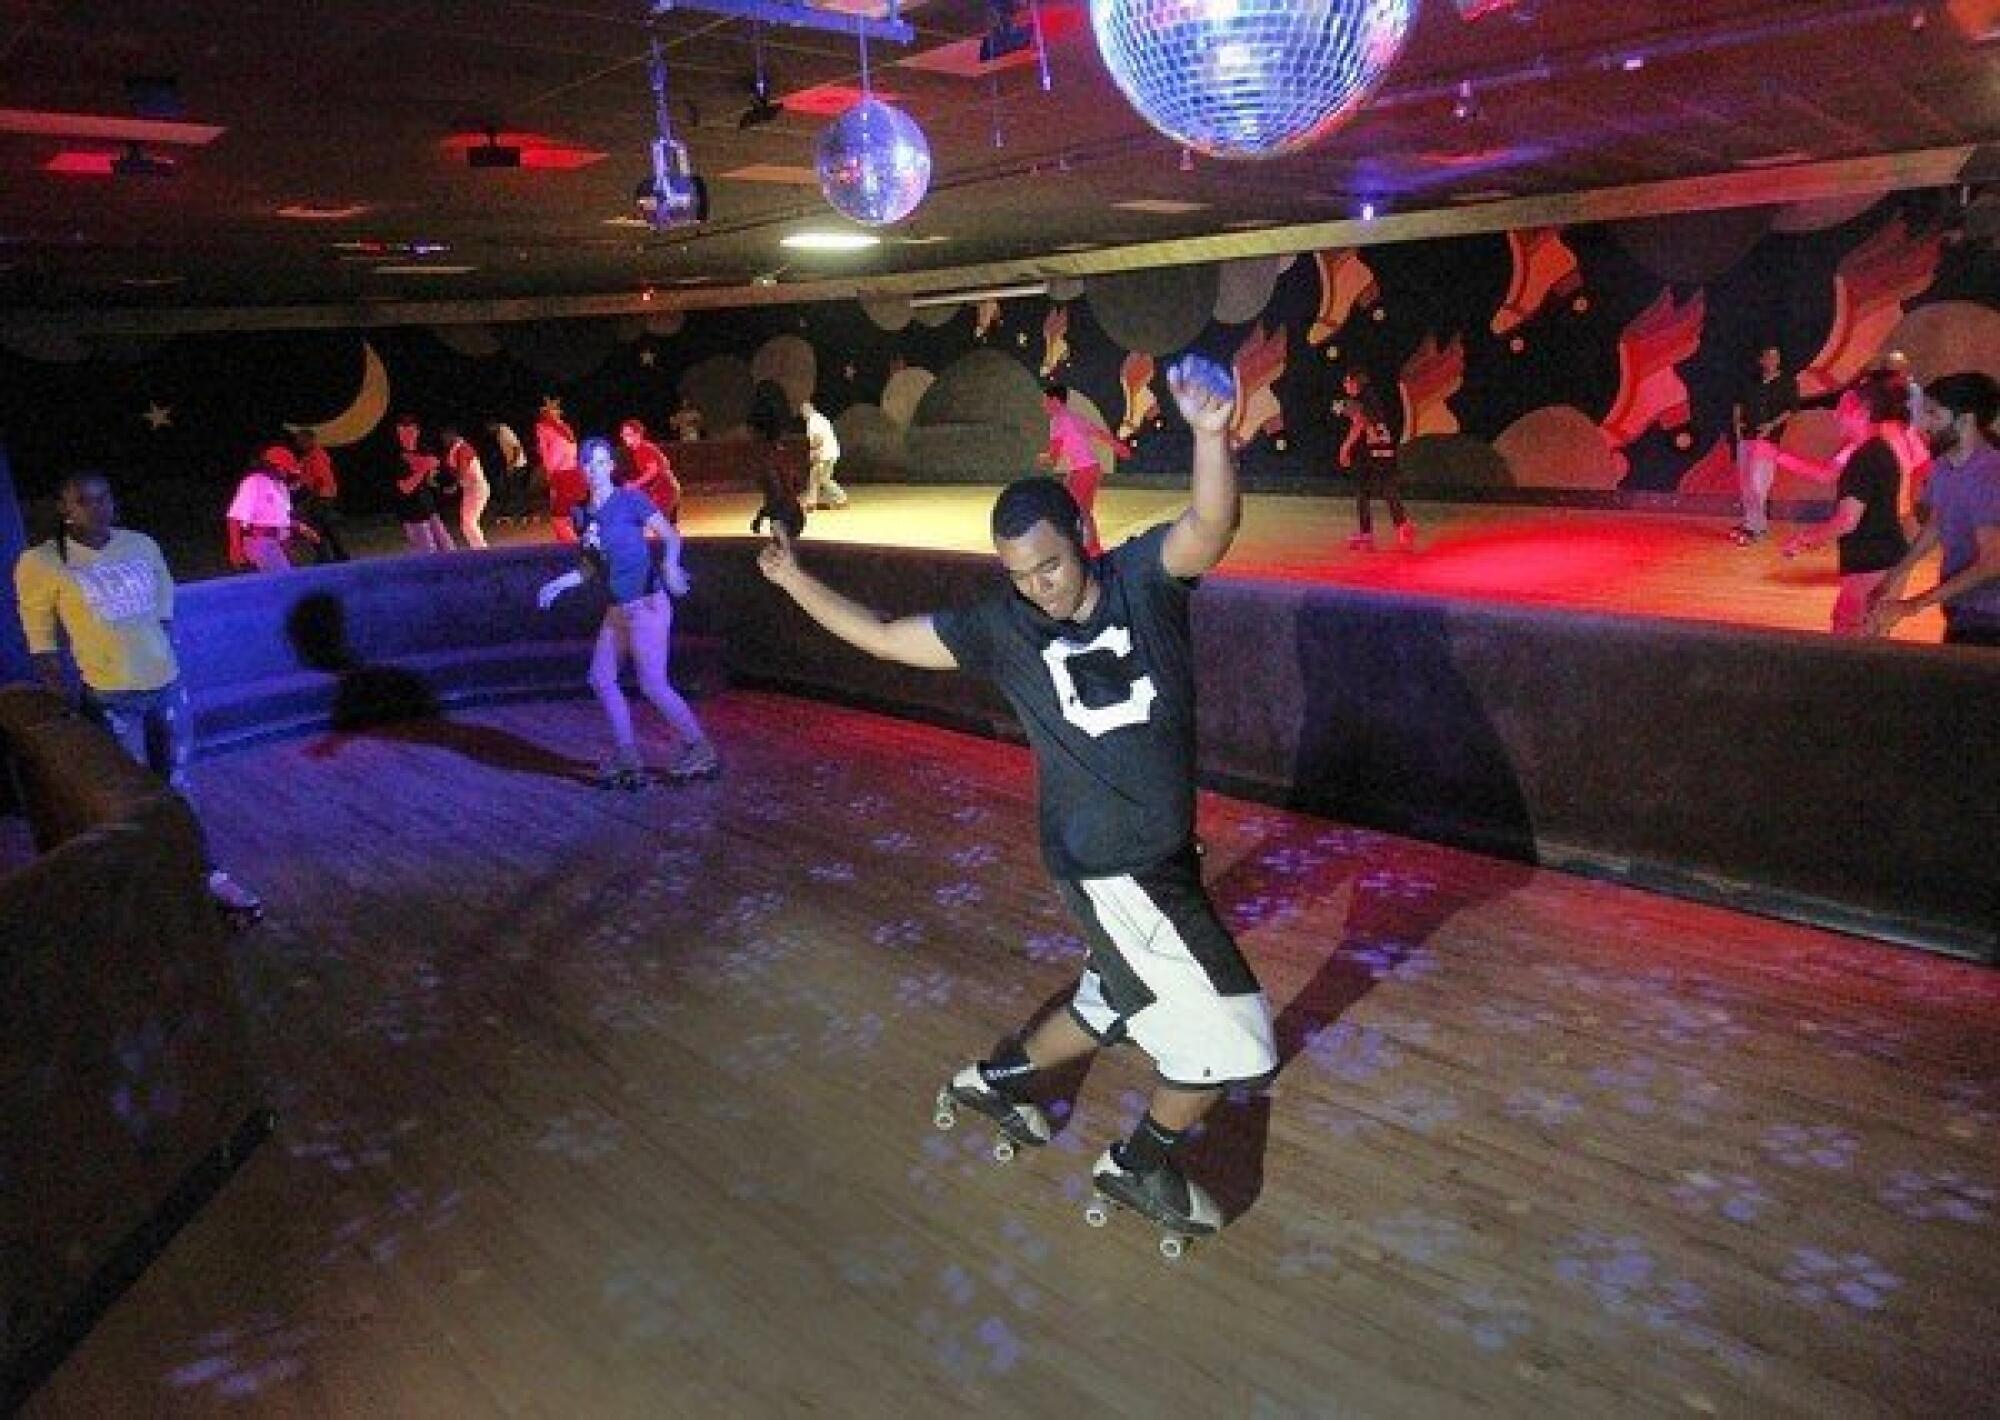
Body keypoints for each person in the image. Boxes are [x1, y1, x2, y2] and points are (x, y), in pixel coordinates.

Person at [758, 356, 1274, 1243]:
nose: (1036, 587)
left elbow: (1210, 523)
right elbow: (885, 637)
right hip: (1120, 872)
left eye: (1047, 567)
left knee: (1110, 1002)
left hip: (1143, 863)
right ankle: (1138, 1165)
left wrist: (1209, 434)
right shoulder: (1002, 630)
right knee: (1240, 1045)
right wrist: (793, 578)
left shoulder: (1147, 580)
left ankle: (993, 1083)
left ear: (1082, 536)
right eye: (1018, 574)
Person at [14, 471, 263, 919]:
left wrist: (161, 651)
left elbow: (164, 602)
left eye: (104, 497)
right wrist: (61, 700)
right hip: (112, 699)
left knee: (181, 787)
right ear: (63, 509)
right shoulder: (43, 562)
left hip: (167, 687)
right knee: (135, 799)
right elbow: (41, 641)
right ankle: (153, 886)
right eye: (83, 501)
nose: (97, 508)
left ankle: (205, 874)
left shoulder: (140, 544)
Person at [536, 436, 719, 785]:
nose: (595, 470)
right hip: (619, 609)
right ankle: (627, 755)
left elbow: (670, 536)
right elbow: (590, 566)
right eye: (588, 464)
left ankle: (700, 747)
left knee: (652, 683)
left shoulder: (630, 500)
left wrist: (669, 566)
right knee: (601, 678)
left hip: (648, 604)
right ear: (582, 469)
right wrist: (559, 584)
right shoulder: (581, 514)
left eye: (602, 462)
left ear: (611, 466)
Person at [1867, 371, 2000, 647]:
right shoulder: (1944, 465)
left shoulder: (1989, 477)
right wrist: (1892, 578)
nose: (1922, 424)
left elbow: (1991, 563)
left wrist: (1912, 605)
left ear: (1965, 420)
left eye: (1934, 414)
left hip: (1989, 615)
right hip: (1962, 607)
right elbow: (1936, 525)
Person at [1781, 372, 1910, 636]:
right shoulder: (1878, 448)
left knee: (1848, 633)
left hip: (1874, 561)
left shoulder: (1866, 456)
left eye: (1842, 406)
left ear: (1862, 410)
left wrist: (1803, 539)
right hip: (1885, 558)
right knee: (1869, 635)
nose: (1836, 414)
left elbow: (1847, 521)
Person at [1039, 381, 1132, 558]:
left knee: (1078, 509)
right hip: (1091, 469)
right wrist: (1119, 447)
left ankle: (1092, 548)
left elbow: (1054, 456)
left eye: (1045, 401)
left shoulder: (1057, 421)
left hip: (1084, 471)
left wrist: (1044, 457)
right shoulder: (1074, 417)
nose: (1043, 406)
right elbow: (1099, 433)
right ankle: (1081, 543)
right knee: (1077, 507)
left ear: (1056, 401)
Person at [1335, 370, 1414, 551]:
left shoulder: (1361, 400)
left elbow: (1359, 424)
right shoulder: (1371, 397)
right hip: (1383, 448)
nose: (1345, 386)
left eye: (1347, 382)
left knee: (1366, 489)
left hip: (1374, 449)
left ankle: (1371, 533)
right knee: (1382, 487)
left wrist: (1344, 448)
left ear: (1356, 383)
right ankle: (1397, 527)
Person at [1730, 344, 1798, 545]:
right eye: (1767, 356)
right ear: (1760, 360)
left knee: (1758, 482)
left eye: (1775, 356)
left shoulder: (1787, 382)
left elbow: (1791, 409)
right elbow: (1738, 403)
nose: (1771, 360)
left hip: (1768, 439)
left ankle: (1757, 528)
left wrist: (1772, 425)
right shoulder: (1751, 382)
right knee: (1745, 481)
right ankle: (1751, 522)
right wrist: (1737, 424)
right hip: (1747, 436)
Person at [225, 444, 314, 572]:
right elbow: (234, 517)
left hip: (276, 541)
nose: (287, 473)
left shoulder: (281, 486)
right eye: (285, 469)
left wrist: (299, 530)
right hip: (258, 541)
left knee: (281, 580)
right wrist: (235, 548)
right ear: (273, 466)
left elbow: (282, 519)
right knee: (284, 582)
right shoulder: (254, 482)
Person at [393, 414, 456, 553]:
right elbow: (405, 488)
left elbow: (429, 478)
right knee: (428, 554)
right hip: (412, 514)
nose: (405, 436)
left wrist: (443, 485)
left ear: (417, 431)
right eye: (401, 432)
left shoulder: (423, 450)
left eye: (409, 431)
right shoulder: (397, 457)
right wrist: (424, 469)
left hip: (428, 508)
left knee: (448, 548)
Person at [290, 427, 350, 562]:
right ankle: (339, 555)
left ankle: (326, 556)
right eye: (298, 440)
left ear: (310, 440)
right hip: (321, 496)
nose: (298, 443)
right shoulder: (310, 456)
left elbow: (319, 480)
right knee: (327, 528)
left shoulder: (317, 456)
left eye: (301, 440)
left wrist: (310, 499)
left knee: (316, 527)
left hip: (322, 497)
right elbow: (302, 476)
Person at [536, 400, 584, 544]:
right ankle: (566, 550)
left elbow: (552, 463)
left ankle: (580, 552)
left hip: (564, 478)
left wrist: (549, 473)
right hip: (572, 477)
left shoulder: (550, 434)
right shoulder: (565, 431)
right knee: (565, 519)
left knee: (559, 520)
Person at [619, 417, 681, 522]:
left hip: (665, 491)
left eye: (628, 434)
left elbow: (653, 471)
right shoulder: (644, 448)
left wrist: (635, 484)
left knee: (657, 528)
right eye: (623, 435)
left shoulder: (643, 449)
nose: (624, 438)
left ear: (637, 434)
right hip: (667, 489)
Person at [440, 425, 490, 549]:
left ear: (452, 435)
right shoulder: (456, 449)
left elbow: (461, 470)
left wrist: (454, 486)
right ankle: (479, 549)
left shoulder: (462, 448)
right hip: (471, 489)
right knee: (467, 522)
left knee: (468, 522)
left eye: (445, 436)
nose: (443, 440)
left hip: (477, 489)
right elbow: (455, 470)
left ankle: (482, 551)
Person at [799, 400, 848, 511]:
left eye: (802, 412)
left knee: (823, 479)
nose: (802, 415)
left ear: (807, 410)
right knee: (814, 477)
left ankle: (841, 498)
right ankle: (811, 502)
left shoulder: (813, 421)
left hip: (825, 454)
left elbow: (818, 439)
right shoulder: (820, 418)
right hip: (829, 453)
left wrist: (813, 451)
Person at [486, 419, 530, 526]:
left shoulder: (505, 431)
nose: (489, 431)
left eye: (489, 428)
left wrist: (512, 463)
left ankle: (521, 514)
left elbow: (517, 447)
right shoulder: (498, 433)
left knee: (516, 490)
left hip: (519, 465)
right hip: (514, 464)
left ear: (493, 424)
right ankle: (517, 512)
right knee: (513, 489)